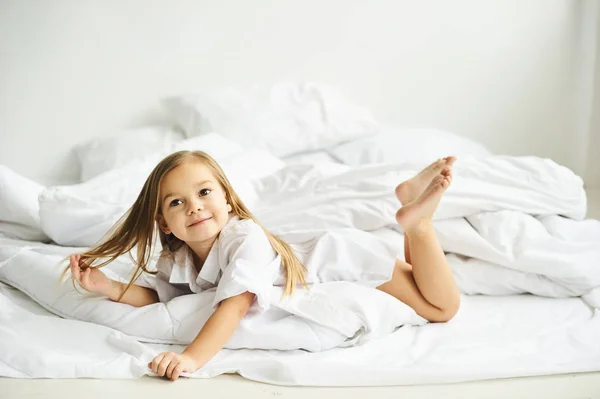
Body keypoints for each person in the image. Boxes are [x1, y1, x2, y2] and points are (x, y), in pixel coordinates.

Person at [64, 150, 460, 381]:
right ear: (165, 223)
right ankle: (411, 203)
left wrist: (191, 359)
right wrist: (110, 288)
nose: (195, 206)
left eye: (204, 192)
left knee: (441, 307)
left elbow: (234, 305)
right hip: (332, 256)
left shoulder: (243, 236)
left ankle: (419, 223)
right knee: (422, 284)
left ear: (228, 200)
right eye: (176, 202)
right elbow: (160, 296)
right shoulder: (177, 257)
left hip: (341, 260)